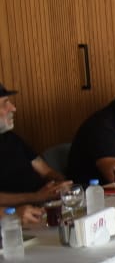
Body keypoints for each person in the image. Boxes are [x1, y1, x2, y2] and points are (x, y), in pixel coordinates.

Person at [0, 82, 70, 216]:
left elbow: (46, 171)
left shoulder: (11, 138)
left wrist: (61, 183)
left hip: (46, 205)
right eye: (5, 103)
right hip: (16, 216)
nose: (13, 108)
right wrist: (36, 197)